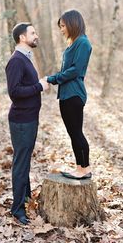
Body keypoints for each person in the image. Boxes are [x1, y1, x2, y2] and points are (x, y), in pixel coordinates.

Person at [5, 22, 49, 225]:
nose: (36, 35)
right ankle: (17, 209)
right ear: (22, 37)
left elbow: (24, 85)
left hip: (30, 118)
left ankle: (26, 197)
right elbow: (14, 92)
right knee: (21, 163)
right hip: (21, 120)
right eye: (32, 32)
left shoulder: (26, 58)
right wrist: (38, 86)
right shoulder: (16, 61)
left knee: (25, 160)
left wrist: (37, 84)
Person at [46, 9, 92, 180]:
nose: (62, 29)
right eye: (60, 26)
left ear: (73, 24)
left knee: (77, 132)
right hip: (65, 95)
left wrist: (53, 78)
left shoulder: (83, 43)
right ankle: (79, 167)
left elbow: (75, 71)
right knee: (73, 133)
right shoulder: (73, 43)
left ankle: (85, 168)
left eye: (63, 26)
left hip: (74, 94)